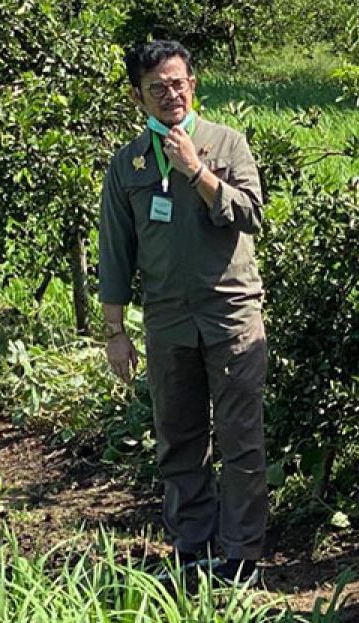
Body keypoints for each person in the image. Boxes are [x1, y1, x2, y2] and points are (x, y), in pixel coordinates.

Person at [98, 40, 267, 586]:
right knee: (179, 438)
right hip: (168, 321)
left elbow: (251, 213)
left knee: (240, 438)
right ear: (138, 97)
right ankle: (193, 550)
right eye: (157, 88)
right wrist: (114, 332)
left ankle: (240, 555)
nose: (170, 95)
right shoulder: (128, 165)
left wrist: (197, 172)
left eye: (178, 83)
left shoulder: (226, 143)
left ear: (193, 84)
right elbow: (115, 251)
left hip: (231, 313)